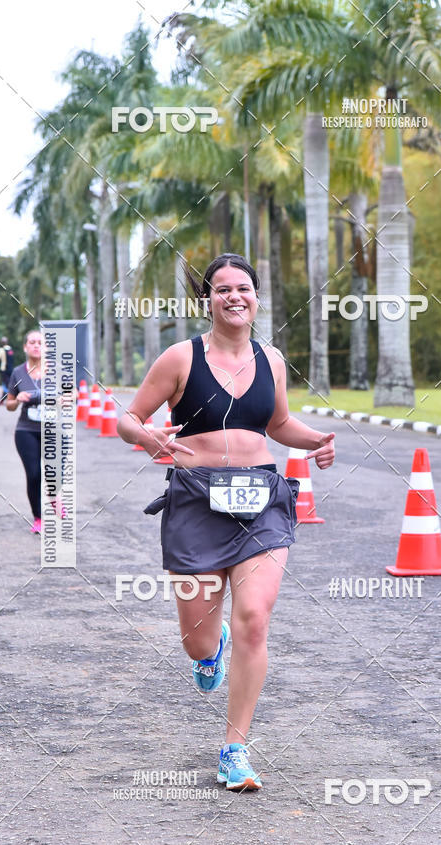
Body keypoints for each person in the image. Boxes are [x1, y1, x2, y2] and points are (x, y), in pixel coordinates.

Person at [117, 253, 335, 792]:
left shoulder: (272, 359)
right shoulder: (180, 358)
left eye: (243, 288)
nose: (234, 296)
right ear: (207, 300)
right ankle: (207, 656)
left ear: (257, 298)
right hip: (195, 500)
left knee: (255, 617)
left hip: (261, 500)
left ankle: (235, 747)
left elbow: (278, 422)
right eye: (222, 290)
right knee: (199, 637)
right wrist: (147, 436)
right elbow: (128, 417)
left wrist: (316, 442)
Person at [6, 331, 43, 533]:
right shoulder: (18, 373)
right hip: (26, 430)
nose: (36, 346)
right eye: (32, 342)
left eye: (40, 342)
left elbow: (72, 393)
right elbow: (8, 404)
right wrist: (17, 399)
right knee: (34, 473)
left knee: (57, 474)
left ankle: (55, 499)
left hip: (53, 430)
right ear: (25, 347)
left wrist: (67, 398)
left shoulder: (56, 371)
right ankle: (38, 518)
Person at [0, 336, 15, 404]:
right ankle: (5, 399)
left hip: (4, 370)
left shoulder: (1, 350)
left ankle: (3, 399)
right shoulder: (10, 349)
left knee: (6, 385)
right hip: (11, 369)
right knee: (8, 384)